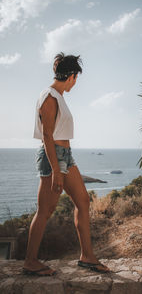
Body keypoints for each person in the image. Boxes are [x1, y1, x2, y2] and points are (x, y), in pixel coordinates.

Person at [22, 52, 110, 276]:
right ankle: (30, 261)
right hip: (54, 157)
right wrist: (56, 171)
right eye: (76, 78)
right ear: (71, 75)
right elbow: (47, 136)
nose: (75, 83)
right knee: (46, 209)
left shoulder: (59, 96)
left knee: (82, 201)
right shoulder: (49, 96)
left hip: (66, 156)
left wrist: (63, 164)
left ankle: (87, 256)